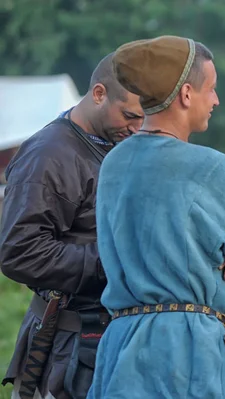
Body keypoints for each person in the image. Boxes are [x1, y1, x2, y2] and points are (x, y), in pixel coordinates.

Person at [85, 36, 225, 399]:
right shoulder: (211, 167)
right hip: (190, 352)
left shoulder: (114, 163)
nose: (216, 100)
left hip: (122, 348)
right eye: (212, 89)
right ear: (187, 94)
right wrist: (213, 269)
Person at [0, 52, 143, 399]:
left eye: (143, 118)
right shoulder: (48, 154)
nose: (137, 128)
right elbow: (19, 251)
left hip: (108, 344)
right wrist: (116, 264)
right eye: (129, 115)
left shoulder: (115, 146)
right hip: (65, 352)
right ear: (98, 94)